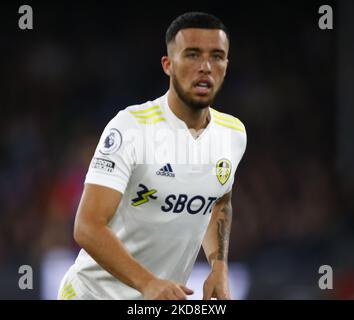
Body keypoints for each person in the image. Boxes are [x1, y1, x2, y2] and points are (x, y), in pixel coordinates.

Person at [58, 11, 247, 300]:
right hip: (93, 295)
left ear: (226, 65)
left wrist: (218, 266)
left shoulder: (233, 134)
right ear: (168, 65)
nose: (206, 67)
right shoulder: (131, 127)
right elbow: (86, 226)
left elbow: (219, 200)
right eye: (193, 55)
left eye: (217, 56)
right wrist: (147, 282)